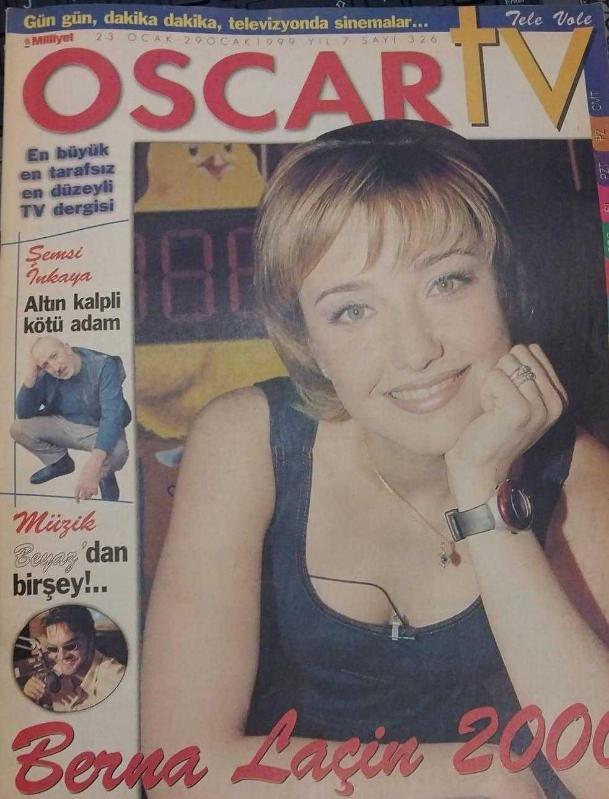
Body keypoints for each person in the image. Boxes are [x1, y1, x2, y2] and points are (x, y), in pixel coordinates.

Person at [143, 122, 609, 798]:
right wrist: (490, 781)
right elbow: (177, 771)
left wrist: (483, 498)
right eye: (353, 311)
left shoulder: (579, 478)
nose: (415, 350)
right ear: (307, 342)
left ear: (505, 288)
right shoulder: (247, 440)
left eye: (446, 281)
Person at [10, 337, 131, 501]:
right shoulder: (47, 373)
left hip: (99, 427)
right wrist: (31, 375)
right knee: (18, 428)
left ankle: (104, 474)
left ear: (67, 348)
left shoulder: (103, 365)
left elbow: (112, 417)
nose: (55, 368)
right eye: (45, 364)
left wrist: (93, 467)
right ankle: (61, 463)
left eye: (54, 356)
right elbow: (24, 414)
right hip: (65, 423)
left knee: (118, 453)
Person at [22, 605, 126, 712]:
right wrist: (30, 696)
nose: (61, 657)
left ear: (90, 640)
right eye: (53, 649)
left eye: (70, 646)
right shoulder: (56, 673)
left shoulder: (114, 678)